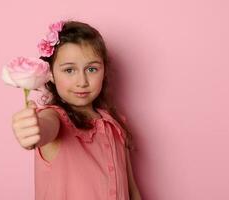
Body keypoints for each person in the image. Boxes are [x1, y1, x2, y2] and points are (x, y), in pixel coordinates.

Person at [11, 19, 141, 200]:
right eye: (69, 70)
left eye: (92, 69)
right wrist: (33, 129)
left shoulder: (116, 123)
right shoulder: (54, 117)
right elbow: (45, 128)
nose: (82, 81)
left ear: (104, 71)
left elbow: (132, 190)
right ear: (51, 74)